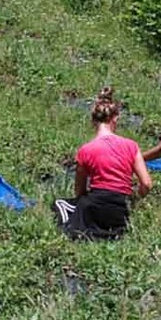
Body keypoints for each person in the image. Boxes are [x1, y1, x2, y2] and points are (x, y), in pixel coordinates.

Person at [53, 87, 152, 239]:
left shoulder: (85, 150)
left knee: (59, 204)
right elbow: (146, 184)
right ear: (115, 118)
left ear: (93, 121)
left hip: (94, 206)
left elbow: (79, 191)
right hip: (120, 209)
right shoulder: (132, 146)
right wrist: (133, 200)